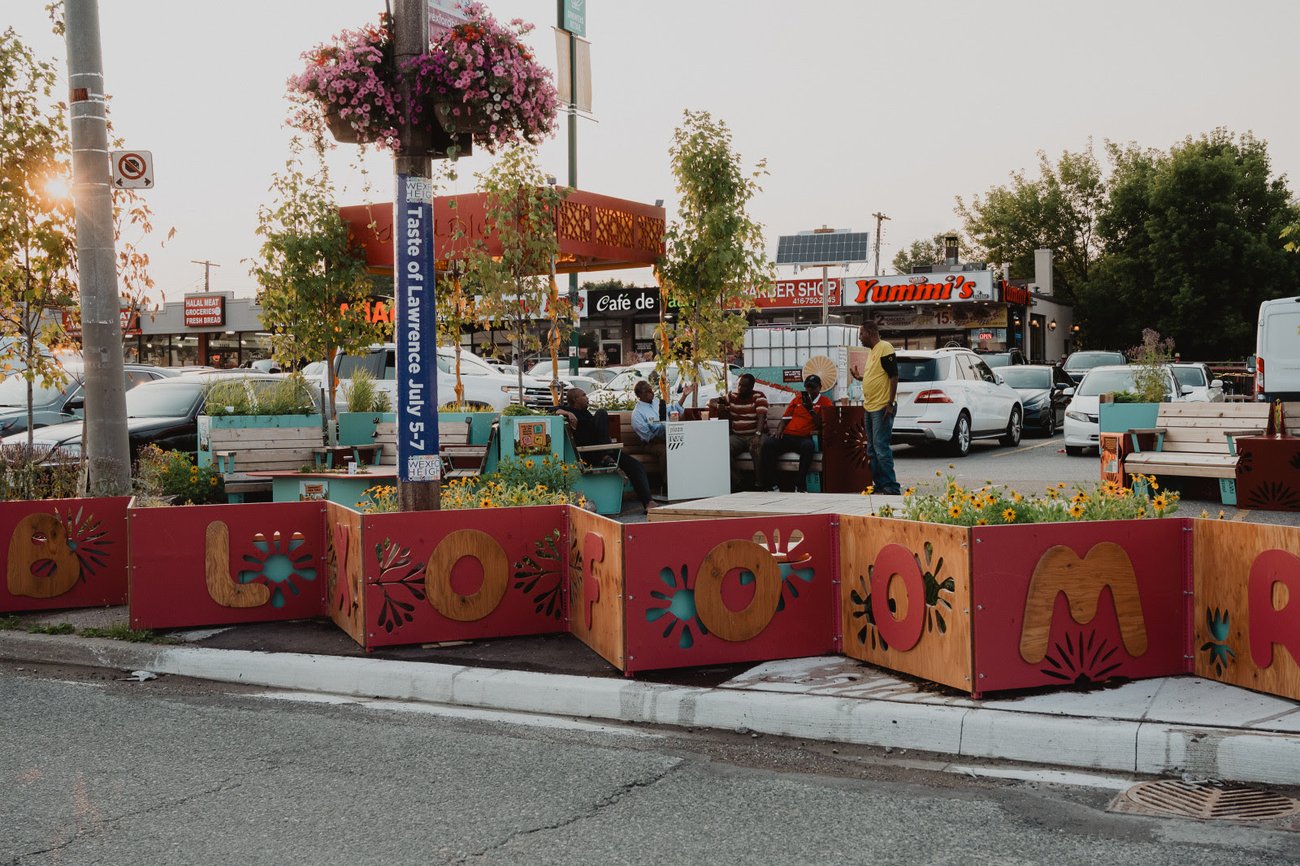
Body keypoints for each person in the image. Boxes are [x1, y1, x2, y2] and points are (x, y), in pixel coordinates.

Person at [555, 387, 656, 513]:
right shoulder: (570, 411)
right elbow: (551, 410)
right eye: (584, 395)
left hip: (603, 450)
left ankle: (648, 502)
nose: (587, 398)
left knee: (636, 466)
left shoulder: (585, 413)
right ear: (575, 399)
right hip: (590, 453)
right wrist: (567, 413)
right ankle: (605, 455)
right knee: (602, 412)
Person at [850, 320, 901, 495]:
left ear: (870, 333)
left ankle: (891, 486)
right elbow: (877, 376)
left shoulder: (885, 347)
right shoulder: (872, 351)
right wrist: (860, 378)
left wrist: (890, 403)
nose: (860, 337)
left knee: (881, 448)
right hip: (870, 406)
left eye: (861, 334)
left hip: (882, 406)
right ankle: (879, 485)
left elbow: (894, 376)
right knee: (871, 449)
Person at [760, 375, 832, 493]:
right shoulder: (797, 399)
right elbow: (785, 419)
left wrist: (810, 409)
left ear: (819, 387)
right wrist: (779, 431)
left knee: (808, 446)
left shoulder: (825, 401)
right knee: (768, 444)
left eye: (813, 387)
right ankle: (772, 485)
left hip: (804, 437)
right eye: (807, 387)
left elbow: (823, 424)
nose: (810, 390)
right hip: (788, 435)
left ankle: (800, 485)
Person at [708, 373, 769, 491]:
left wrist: (757, 435)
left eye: (744, 386)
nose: (740, 388)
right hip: (738, 436)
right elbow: (711, 401)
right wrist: (719, 406)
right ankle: (739, 482)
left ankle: (760, 484)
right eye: (739, 385)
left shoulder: (758, 396)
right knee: (722, 448)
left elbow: (761, 417)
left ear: (751, 387)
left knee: (757, 448)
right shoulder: (732, 396)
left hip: (754, 434)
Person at [631, 379, 684, 443]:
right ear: (639, 394)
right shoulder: (637, 413)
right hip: (653, 444)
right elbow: (648, 437)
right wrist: (666, 443)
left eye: (650, 390)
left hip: (671, 438)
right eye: (646, 392)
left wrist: (684, 396)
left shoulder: (658, 402)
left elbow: (673, 409)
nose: (650, 393)